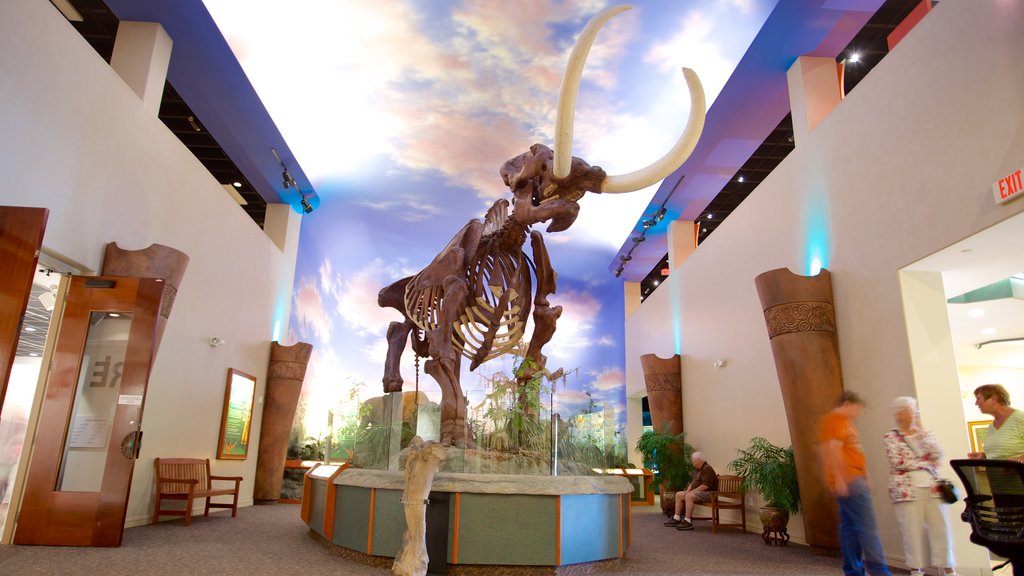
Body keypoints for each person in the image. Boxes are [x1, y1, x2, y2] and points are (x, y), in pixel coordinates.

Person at [820, 391, 892, 576]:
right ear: (847, 403)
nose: (859, 412)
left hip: (853, 477)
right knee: (868, 527)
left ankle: (853, 571)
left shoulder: (845, 422)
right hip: (850, 479)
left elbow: (853, 450)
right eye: (858, 408)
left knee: (849, 527)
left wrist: (866, 474)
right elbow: (833, 451)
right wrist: (840, 479)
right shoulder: (835, 420)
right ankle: (879, 571)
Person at [882, 397, 957, 576]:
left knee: (941, 529)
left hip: (933, 488)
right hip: (906, 490)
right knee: (911, 531)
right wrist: (925, 462)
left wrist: (922, 435)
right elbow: (898, 461)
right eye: (909, 410)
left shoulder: (925, 434)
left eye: (914, 410)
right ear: (899, 414)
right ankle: (916, 570)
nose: (913, 414)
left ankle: (948, 569)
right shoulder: (891, 437)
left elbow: (938, 455)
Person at [663, 451, 717, 531]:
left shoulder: (707, 468)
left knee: (689, 496)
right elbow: (693, 482)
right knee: (679, 494)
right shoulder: (697, 469)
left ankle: (688, 521)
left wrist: (692, 492)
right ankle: (676, 518)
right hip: (699, 492)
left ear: (698, 460)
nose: (691, 462)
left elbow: (705, 486)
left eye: (692, 460)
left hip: (709, 494)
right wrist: (688, 489)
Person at [968, 384, 1024, 461]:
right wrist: (984, 456)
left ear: (994, 399)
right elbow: (999, 456)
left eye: (978, 398)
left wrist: (1018, 461)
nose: (976, 403)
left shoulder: (1021, 419)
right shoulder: (991, 427)